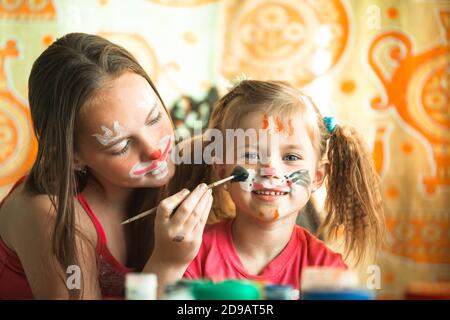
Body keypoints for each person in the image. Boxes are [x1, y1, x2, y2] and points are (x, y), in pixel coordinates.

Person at [0, 33, 212, 299]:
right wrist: (167, 265)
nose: (155, 150)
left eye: (155, 118)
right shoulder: (50, 215)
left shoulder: (168, 158)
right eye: (121, 146)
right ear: (73, 156)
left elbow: (247, 138)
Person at [181, 80, 385, 290]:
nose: (271, 169)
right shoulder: (191, 254)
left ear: (316, 177)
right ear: (221, 169)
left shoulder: (325, 270)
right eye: (251, 154)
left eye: (291, 156)